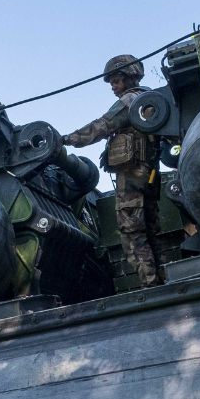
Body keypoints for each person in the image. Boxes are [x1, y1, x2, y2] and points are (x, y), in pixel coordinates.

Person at [62, 54, 164, 288]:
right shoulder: (150, 100)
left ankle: (151, 286)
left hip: (132, 176)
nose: (114, 87)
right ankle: (161, 278)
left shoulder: (131, 101)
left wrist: (68, 139)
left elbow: (102, 126)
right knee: (149, 230)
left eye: (116, 81)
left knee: (131, 232)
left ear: (130, 78)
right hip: (148, 175)